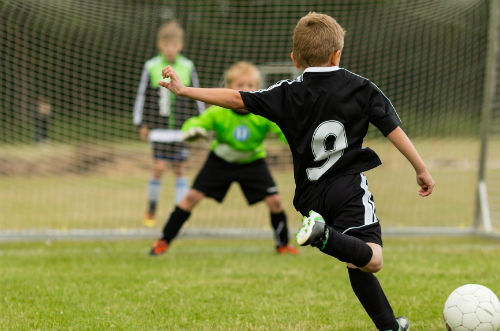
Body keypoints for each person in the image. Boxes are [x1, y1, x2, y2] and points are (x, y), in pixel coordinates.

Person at [157, 12, 435, 331]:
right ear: (338, 53)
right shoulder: (361, 88)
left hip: (310, 195)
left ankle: (389, 326)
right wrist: (421, 168)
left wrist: (185, 90)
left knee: (354, 258)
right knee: (372, 259)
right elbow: (392, 128)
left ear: (294, 58)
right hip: (347, 188)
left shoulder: (287, 93)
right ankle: (324, 236)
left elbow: (235, 98)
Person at [149, 61, 298, 256]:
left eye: (251, 85)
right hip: (220, 161)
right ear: (228, 88)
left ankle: (283, 245)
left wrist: (297, 140)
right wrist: (192, 131)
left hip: (252, 162)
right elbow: (194, 124)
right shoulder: (218, 111)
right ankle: (163, 241)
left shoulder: (263, 113)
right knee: (191, 198)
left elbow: (284, 132)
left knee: (275, 201)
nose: (246, 90)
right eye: (240, 85)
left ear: (258, 88)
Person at [133, 20, 205, 227]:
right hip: (158, 129)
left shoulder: (187, 66)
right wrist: (141, 124)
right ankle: (152, 209)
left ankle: (178, 215)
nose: (170, 49)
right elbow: (142, 96)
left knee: (180, 169)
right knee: (158, 167)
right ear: (160, 45)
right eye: (166, 45)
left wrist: (199, 123)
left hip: (181, 130)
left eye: (174, 45)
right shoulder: (151, 66)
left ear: (180, 45)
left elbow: (196, 95)